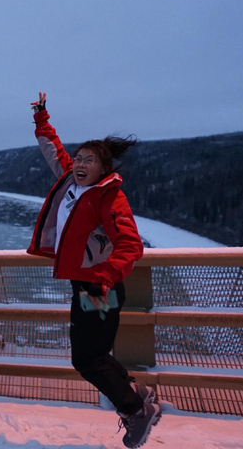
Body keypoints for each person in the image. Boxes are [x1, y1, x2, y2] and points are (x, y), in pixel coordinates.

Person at [26, 93, 160, 449]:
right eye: (79, 158)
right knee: (94, 354)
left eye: (90, 160)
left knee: (85, 358)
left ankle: (135, 409)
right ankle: (135, 391)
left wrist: (103, 277)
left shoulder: (108, 197)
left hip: (99, 288)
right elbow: (54, 151)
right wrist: (42, 118)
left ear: (105, 169)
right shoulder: (73, 183)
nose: (81, 164)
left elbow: (131, 246)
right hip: (84, 285)